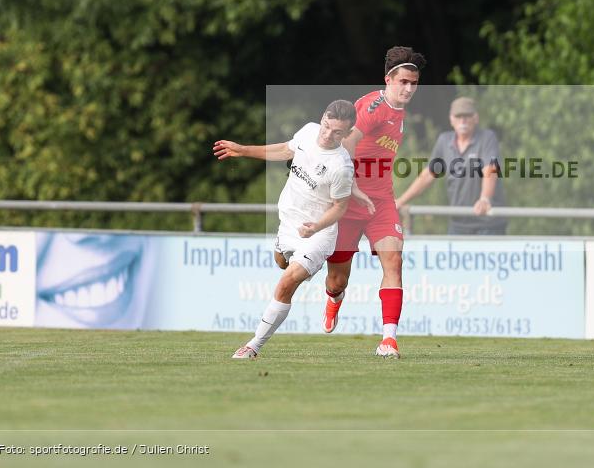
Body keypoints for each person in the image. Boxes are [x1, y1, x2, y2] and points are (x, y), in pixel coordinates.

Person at [213, 100, 356, 359]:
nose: (327, 134)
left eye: (336, 132)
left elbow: (339, 208)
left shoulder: (341, 166)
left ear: (346, 134)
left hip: (317, 234)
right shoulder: (308, 131)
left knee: (287, 281)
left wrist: (317, 226)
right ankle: (288, 252)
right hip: (289, 223)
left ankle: (253, 345)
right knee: (280, 262)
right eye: (326, 126)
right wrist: (243, 150)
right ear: (322, 118)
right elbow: (284, 150)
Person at [322, 46, 425, 359]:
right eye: (404, 82)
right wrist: (352, 186)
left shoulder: (399, 111)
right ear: (388, 79)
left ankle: (389, 339)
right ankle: (333, 297)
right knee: (337, 279)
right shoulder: (374, 106)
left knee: (394, 260)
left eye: (414, 83)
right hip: (349, 203)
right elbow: (348, 141)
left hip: (381, 202)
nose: (409, 88)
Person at [396, 97, 507, 235]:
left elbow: (490, 171)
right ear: (451, 119)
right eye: (458, 116)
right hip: (458, 223)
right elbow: (427, 176)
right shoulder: (444, 141)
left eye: (467, 116)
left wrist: (485, 199)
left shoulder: (487, 138)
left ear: (476, 118)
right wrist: (401, 200)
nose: (463, 121)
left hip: (488, 224)